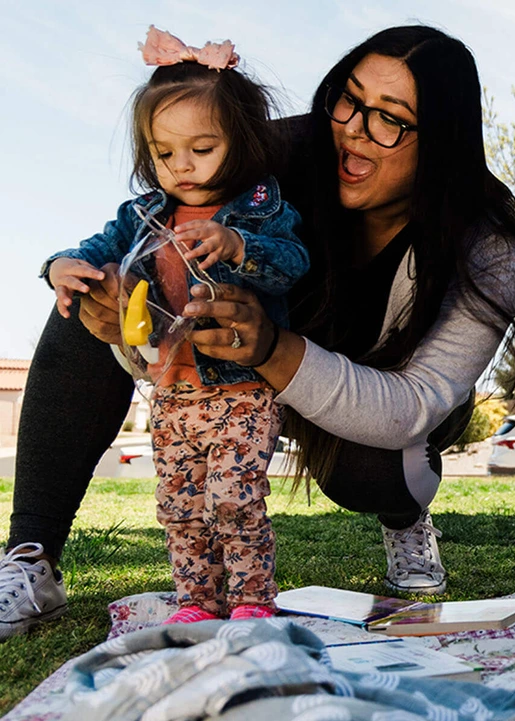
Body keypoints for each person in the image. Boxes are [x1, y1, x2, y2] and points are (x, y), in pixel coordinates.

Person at [2, 25, 515, 639]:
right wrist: (110, 304)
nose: (354, 130)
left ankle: (403, 514)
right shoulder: (273, 153)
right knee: (91, 293)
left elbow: (412, 404)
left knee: (370, 472)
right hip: (232, 371)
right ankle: (31, 557)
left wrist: (273, 349)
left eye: (392, 120)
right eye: (349, 99)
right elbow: (154, 220)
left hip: (371, 388)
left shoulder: (487, 242)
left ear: (443, 142)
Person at [3, 25, 310, 631]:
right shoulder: (142, 214)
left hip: (241, 390)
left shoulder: (262, 209)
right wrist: (59, 267)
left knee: (236, 500)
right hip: (172, 391)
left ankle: (251, 598)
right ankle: (195, 597)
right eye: (165, 153)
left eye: (202, 148)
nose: (182, 166)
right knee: (180, 505)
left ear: (240, 142)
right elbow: (91, 250)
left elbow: (292, 265)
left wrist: (239, 245)